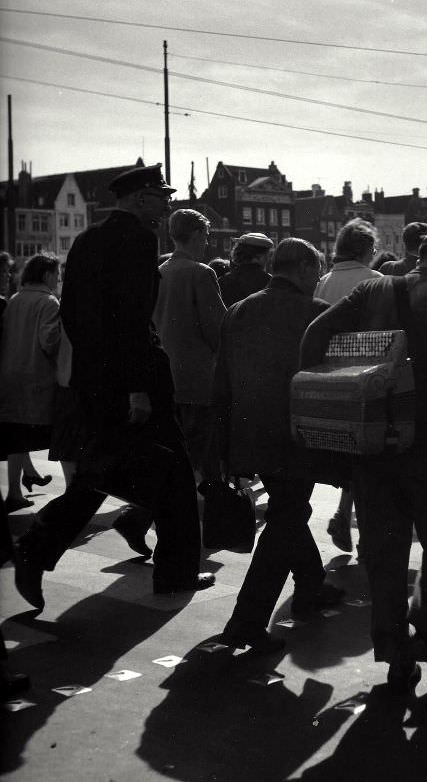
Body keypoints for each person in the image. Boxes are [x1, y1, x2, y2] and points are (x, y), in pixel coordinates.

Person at [12, 164, 214, 610]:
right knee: (176, 474)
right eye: (161, 197)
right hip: (135, 379)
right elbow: (130, 319)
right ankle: (175, 574)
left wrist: (94, 376)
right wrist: (138, 388)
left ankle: (37, 547)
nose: (167, 206)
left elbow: (76, 315)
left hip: (95, 381)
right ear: (140, 198)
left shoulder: (87, 240)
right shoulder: (139, 240)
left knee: (100, 470)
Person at [300, 232, 427, 693]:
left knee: (384, 554)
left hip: (375, 445)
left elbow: (315, 332)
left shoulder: (373, 290)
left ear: (421, 258)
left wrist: (330, 388)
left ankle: (392, 650)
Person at [216, 238, 345, 654]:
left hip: (250, 434)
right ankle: (246, 620)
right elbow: (333, 385)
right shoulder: (316, 315)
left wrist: (222, 448)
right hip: (299, 436)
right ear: (306, 269)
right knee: (289, 515)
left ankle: (310, 584)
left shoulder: (238, 310)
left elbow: (222, 382)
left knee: (288, 508)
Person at [113, 209, 227, 556]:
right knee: (189, 458)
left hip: (166, 380)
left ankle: (200, 523)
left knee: (181, 456)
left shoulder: (159, 272)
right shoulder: (200, 273)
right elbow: (217, 329)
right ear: (195, 234)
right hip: (197, 381)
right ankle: (143, 517)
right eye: (205, 236)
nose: (207, 243)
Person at [313, 218, 382, 552]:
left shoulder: (323, 282)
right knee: (368, 455)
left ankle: (344, 515)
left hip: (328, 374)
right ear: (367, 248)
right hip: (363, 373)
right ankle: (361, 527)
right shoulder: (375, 280)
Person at [0, 253, 61, 512]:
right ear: (46, 275)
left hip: (10, 375)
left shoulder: (14, 300)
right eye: (56, 276)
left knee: (15, 436)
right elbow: (49, 341)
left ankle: (15, 490)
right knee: (37, 435)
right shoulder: (48, 302)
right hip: (36, 376)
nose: (58, 280)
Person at [217, 232, 273, 307]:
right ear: (260, 255)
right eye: (267, 254)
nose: (268, 259)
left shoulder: (223, 281)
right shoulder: (270, 282)